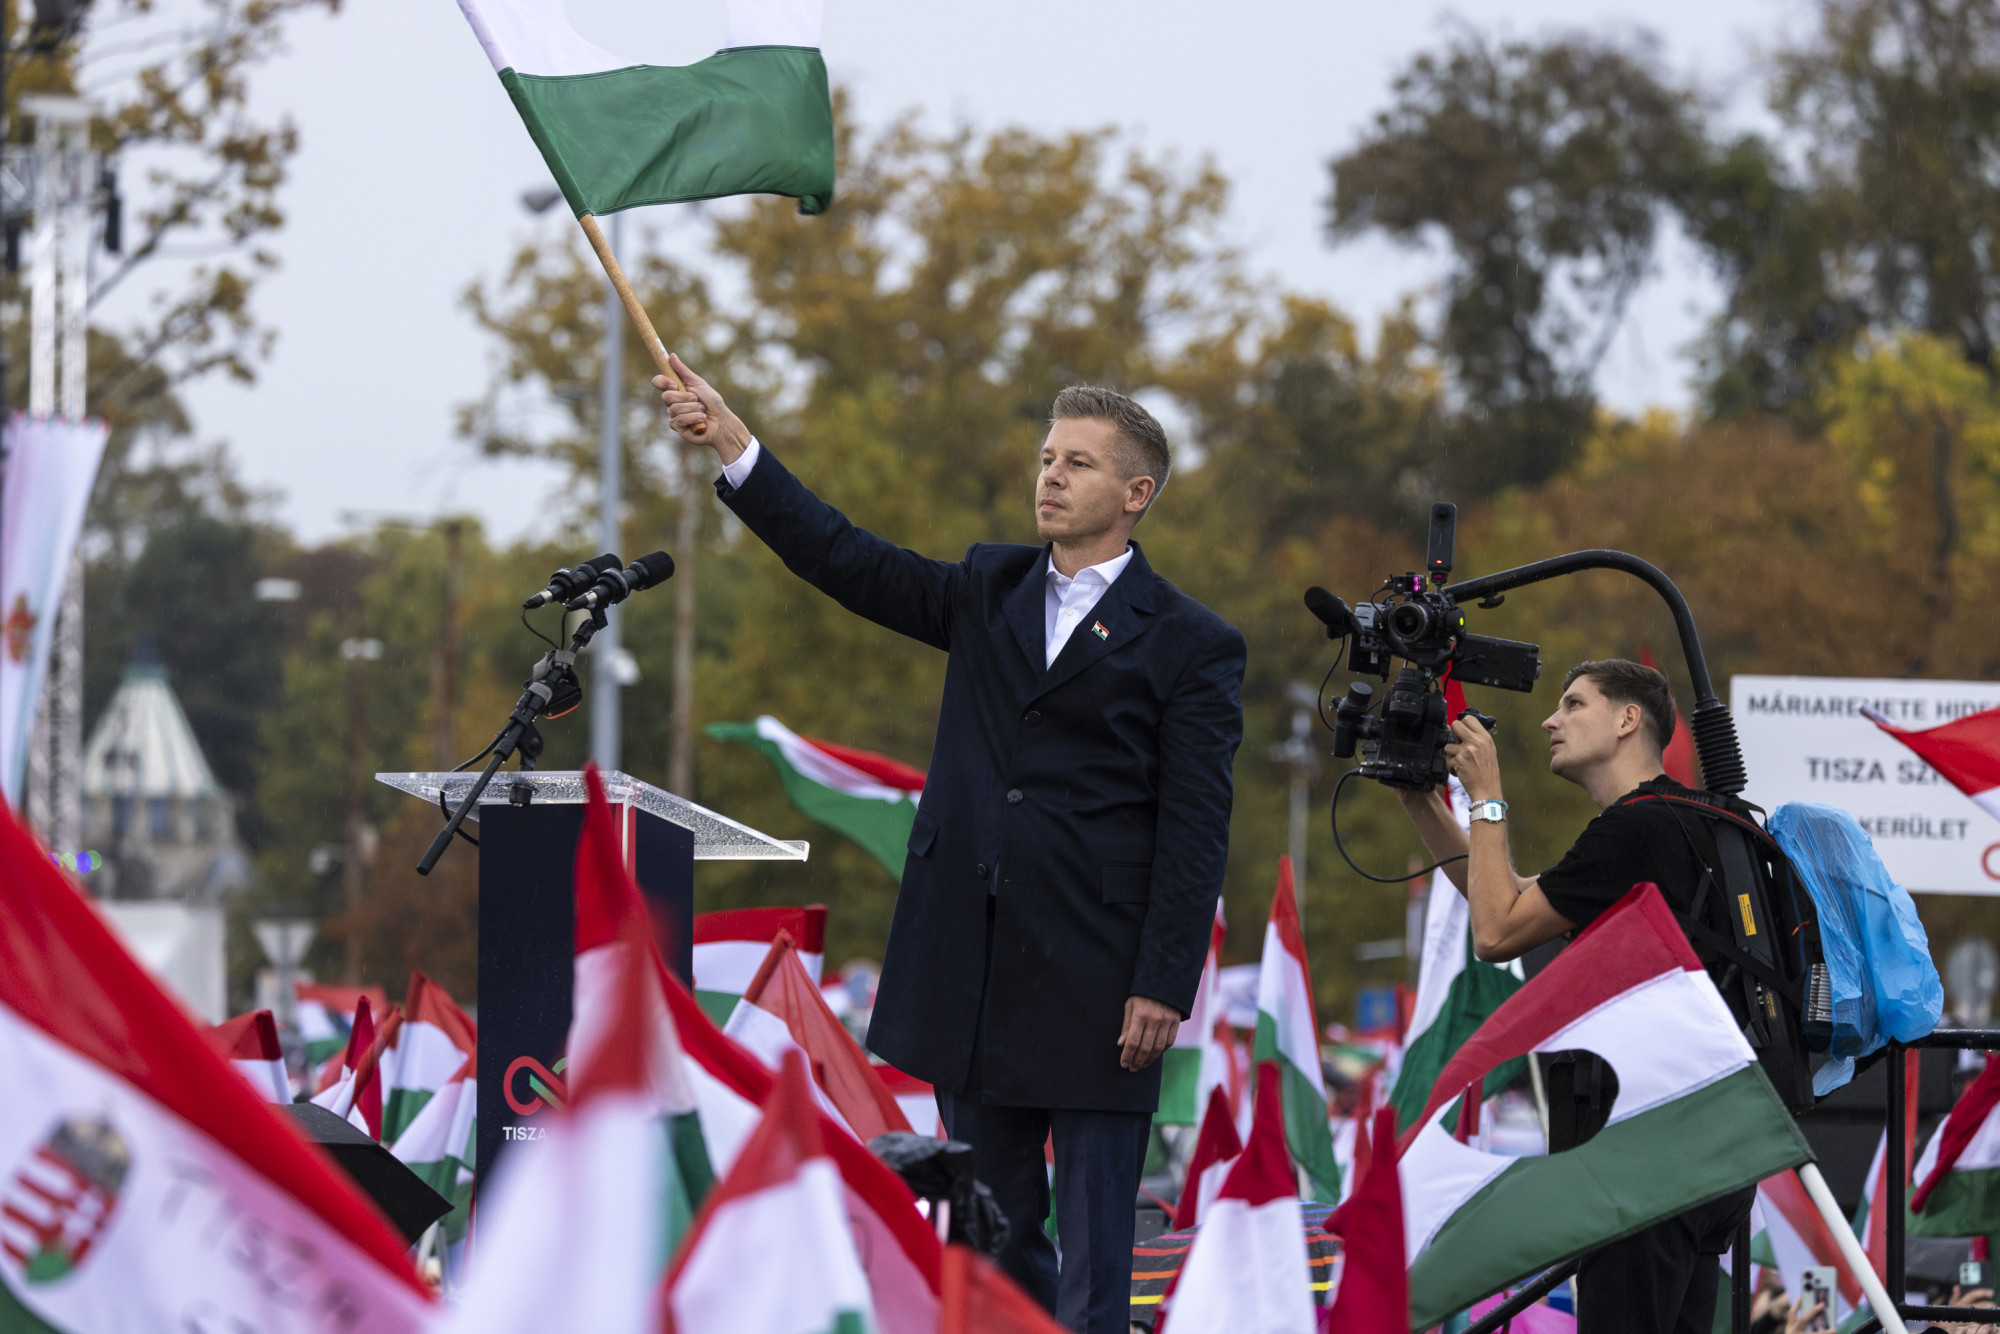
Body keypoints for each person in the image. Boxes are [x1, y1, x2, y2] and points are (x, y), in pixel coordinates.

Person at [655, 356, 1246, 1334]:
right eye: (1047, 456)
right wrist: (732, 441)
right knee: (988, 1234)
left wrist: (1162, 980)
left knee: (1100, 1251)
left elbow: (1194, 824)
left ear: (1136, 493)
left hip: (1103, 982)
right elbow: (846, 558)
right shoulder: (987, 585)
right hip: (970, 969)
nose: (1049, 475)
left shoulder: (1192, 641)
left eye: (1079, 463)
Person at [1396, 658, 1754, 1334]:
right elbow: (1505, 900)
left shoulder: (1633, 830)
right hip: (1711, 1145)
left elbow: (1497, 933)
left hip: (1643, 1153)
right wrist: (1420, 803)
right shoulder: (1690, 820)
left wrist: (1488, 794)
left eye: (1573, 704)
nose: (1549, 720)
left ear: (1628, 720)